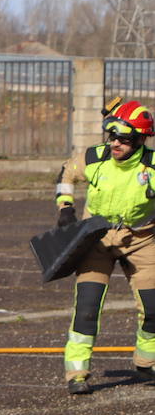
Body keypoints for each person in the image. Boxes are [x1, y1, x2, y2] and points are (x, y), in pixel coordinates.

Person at [53, 98, 155, 394]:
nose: (115, 144)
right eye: (112, 136)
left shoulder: (151, 165)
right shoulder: (94, 157)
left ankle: (146, 362)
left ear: (139, 140)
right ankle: (77, 372)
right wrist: (65, 208)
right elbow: (66, 175)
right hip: (96, 239)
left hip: (142, 240)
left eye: (124, 138)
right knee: (87, 306)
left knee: (152, 308)